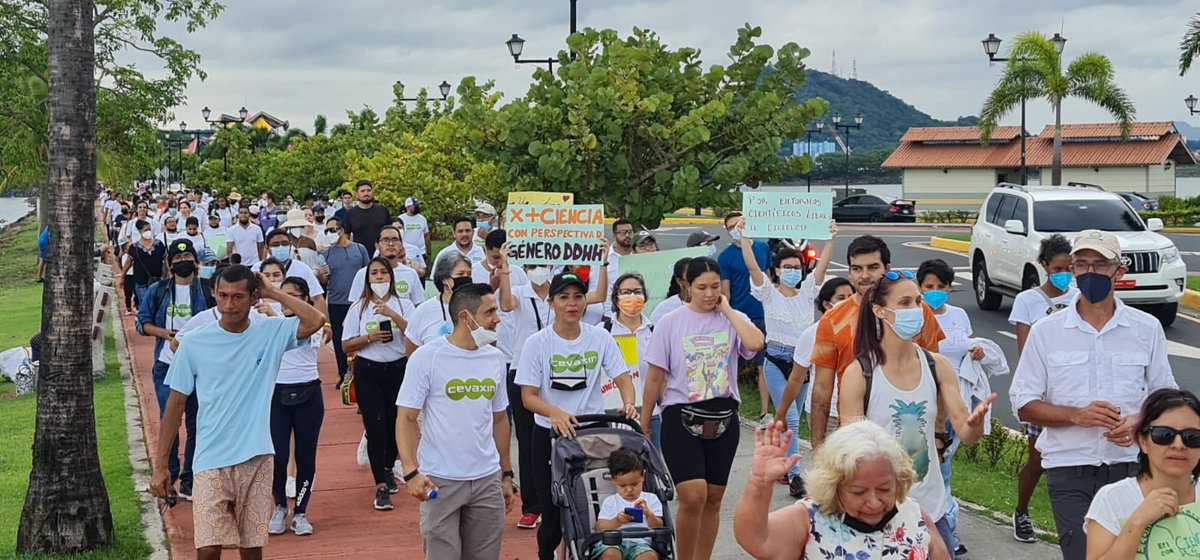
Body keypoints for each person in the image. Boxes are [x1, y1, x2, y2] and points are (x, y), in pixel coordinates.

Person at [1010, 229, 1177, 560]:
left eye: (1100, 265)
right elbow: (1023, 403)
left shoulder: (1146, 329)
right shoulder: (1047, 331)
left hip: (1132, 468)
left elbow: (1167, 399)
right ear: (1072, 270)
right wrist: (1076, 415)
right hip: (1070, 470)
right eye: (1082, 264)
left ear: (1120, 271)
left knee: (1139, 553)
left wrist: (1137, 422)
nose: (1090, 273)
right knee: (1084, 555)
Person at [151, 265, 325, 559]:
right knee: (207, 549)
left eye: (238, 297)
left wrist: (273, 292)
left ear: (253, 297)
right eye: (223, 296)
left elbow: (316, 319)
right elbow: (174, 406)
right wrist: (160, 466)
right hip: (209, 459)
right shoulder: (194, 341)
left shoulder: (272, 331)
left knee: (251, 549)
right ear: (214, 295)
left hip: (256, 456)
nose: (229, 305)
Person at [838, 268, 996, 557]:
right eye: (905, 303)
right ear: (879, 311)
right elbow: (850, 454)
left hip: (932, 511)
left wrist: (976, 422)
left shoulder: (938, 366)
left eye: (918, 301)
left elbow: (967, 433)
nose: (916, 309)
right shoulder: (859, 373)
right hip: (879, 515)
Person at [640, 257, 765, 560]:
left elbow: (756, 342)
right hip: (681, 413)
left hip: (724, 415)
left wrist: (727, 310)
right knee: (692, 495)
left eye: (714, 287)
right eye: (701, 288)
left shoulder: (731, 318)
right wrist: (644, 421)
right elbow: (655, 375)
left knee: (713, 497)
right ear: (687, 286)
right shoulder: (671, 322)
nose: (709, 294)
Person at [516, 271, 638, 560]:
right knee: (554, 519)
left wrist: (629, 402)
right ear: (551, 302)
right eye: (564, 297)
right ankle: (547, 552)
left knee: (594, 510)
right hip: (549, 436)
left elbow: (622, 377)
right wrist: (555, 412)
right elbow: (528, 397)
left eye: (578, 296)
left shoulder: (599, 337)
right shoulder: (537, 343)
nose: (572, 303)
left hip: (593, 435)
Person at [396, 282, 516, 559]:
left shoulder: (496, 358)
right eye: (490, 312)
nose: (497, 319)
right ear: (466, 317)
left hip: (486, 479)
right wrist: (411, 471)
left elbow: (500, 420)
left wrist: (506, 475)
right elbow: (406, 417)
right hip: (440, 480)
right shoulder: (427, 358)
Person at [733, 420, 950, 560]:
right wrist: (759, 483)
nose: (874, 502)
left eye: (885, 489)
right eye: (858, 492)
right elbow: (755, 538)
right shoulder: (809, 519)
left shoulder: (914, 515)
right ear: (834, 485)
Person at [809, 235, 944, 448]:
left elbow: (937, 376)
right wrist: (818, 448)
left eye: (873, 267)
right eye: (856, 269)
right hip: (855, 434)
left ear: (887, 268)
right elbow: (822, 390)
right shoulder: (832, 320)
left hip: (912, 432)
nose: (864, 276)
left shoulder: (917, 311)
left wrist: (939, 433)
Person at [736, 219, 836, 498]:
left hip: (804, 363)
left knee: (792, 419)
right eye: (787, 267)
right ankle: (795, 476)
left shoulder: (807, 293)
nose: (792, 272)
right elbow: (753, 267)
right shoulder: (767, 293)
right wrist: (745, 239)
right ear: (777, 270)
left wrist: (830, 240)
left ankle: (777, 454)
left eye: (797, 267)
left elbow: (823, 267)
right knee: (790, 416)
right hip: (776, 361)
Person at [1007, 233, 1077, 542]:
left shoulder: (1080, 297)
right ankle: (1021, 511)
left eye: (1070, 267)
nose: (1065, 274)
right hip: (1043, 394)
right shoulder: (1028, 301)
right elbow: (1026, 350)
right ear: (1044, 265)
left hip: (1075, 392)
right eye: (1059, 267)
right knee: (1037, 462)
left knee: (1076, 463)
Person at [1084, 389, 1200, 560]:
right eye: (1164, 435)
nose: (1178, 445)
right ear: (1143, 441)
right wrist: (1137, 523)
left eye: (1192, 437)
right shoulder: (1113, 499)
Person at [916, 258, 982, 556]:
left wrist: (978, 351)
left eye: (941, 287)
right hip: (927, 403)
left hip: (958, 399)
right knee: (934, 469)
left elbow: (965, 349)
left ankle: (945, 527)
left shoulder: (958, 315)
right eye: (928, 287)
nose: (935, 292)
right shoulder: (913, 316)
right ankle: (944, 534)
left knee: (945, 468)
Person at [137, 239, 212, 500]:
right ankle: (169, 475)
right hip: (167, 365)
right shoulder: (158, 290)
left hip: (201, 366)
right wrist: (165, 334)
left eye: (188, 257)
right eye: (177, 260)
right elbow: (142, 323)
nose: (183, 262)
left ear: (196, 261)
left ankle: (190, 479)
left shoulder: (208, 289)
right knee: (169, 420)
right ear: (169, 264)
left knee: (197, 422)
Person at [341, 257, 416, 510]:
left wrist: (392, 314)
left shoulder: (403, 304)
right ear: (367, 278)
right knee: (375, 427)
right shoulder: (358, 308)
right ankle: (380, 486)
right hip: (368, 370)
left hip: (398, 369)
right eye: (374, 273)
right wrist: (369, 337)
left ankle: (387, 467)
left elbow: (415, 335)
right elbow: (345, 345)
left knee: (397, 422)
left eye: (384, 273)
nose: (380, 277)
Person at [264, 277, 326, 536]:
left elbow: (309, 332)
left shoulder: (315, 321)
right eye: (283, 294)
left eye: (295, 296)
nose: (287, 300)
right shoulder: (268, 321)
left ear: (305, 299)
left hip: (309, 393)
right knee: (277, 457)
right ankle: (279, 506)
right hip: (277, 395)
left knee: (305, 456)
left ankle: (301, 512)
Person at [774, 277, 855, 431]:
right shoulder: (812, 334)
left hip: (854, 412)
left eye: (851, 297)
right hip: (826, 414)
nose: (848, 302)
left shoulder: (862, 329)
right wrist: (781, 413)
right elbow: (796, 379)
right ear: (826, 304)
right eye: (841, 298)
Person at [717, 212, 771, 424]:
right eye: (732, 226)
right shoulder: (725, 257)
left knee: (763, 365)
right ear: (727, 230)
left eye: (740, 224)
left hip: (762, 315)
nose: (737, 228)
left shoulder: (762, 247)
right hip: (739, 316)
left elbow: (766, 277)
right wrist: (728, 317)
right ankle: (732, 407)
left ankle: (765, 412)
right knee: (732, 365)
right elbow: (726, 291)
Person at [604, 273, 659, 447]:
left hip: (651, 414)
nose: (632, 297)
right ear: (616, 297)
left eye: (637, 291)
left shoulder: (655, 332)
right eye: (626, 292)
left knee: (651, 466)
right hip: (611, 413)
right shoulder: (603, 331)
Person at [321, 216, 371, 386]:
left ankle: (360, 374)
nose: (329, 233)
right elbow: (323, 280)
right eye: (326, 230)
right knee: (339, 340)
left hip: (357, 302)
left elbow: (367, 273)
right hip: (335, 301)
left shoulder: (360, 249)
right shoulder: (326, 252)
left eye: (332, 230)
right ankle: (343, 374)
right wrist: (322, 275)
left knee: (359, 337)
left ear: (341, 231)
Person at [591, 448, 664, 560]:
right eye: (623, 486)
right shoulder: (610, 501)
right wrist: (617, 521)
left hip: (641, 545)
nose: (629, 490)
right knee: (611, 555)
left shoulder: (651, 499)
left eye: (634, 484)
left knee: (649, 557)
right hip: (612, 543)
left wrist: (649, 514)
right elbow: (599, 527)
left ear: (643, 476)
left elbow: (659, 526)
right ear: (613, 480)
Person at [404, 252, 474, 352]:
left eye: (469, 274)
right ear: (445, 279)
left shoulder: (477, 306)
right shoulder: (424, 311)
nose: (466, 278)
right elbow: (411, 350)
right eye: (460, 274)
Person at [347, 225, 425, 307]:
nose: (391, 244)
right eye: (386, 240)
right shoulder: (363, 273)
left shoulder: (411, 274)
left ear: (401, 244)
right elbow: (355, 306)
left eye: (395, 240)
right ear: (377, 245)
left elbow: (418, 305)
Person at [256, 229, 328, 315]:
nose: (281, 247)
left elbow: (317, 298)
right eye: (275, 245)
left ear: (290, 245)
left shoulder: (302, 268)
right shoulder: (257, 269)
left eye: (284, 244)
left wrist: (325, 324)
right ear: (267, 248)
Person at [122, 219, 167, 301]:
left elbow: (166, 259)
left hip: (157, 280)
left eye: (149, 229)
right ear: (140, 231)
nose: (148, 231)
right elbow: (128, 263)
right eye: (145, 230)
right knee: (145, 305)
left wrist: (170, 271)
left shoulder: (159, 244)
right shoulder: (134, 247)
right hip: (141, 282)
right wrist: (122, 276)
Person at [342, 180, 390, 252]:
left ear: (372, 193)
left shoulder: (383, 210)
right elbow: (346, 237)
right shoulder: (350, 214)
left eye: (369, 190)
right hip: (360, 255)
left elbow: (390, 232)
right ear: (357, 194)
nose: (366, 193)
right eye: (363, 191)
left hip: (382, 254)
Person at [648, 257, 693, 325]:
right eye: (690, 276)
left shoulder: (710, 303)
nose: (695, 280)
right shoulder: (665, 309)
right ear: (679, 281)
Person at [397, 197, 431, 275]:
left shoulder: (422, 219)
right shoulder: (401, 219)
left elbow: (426, 235)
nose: (417, 207)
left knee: (421, 274)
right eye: (415, 205)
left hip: (421, 252)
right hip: (407, 252)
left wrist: (428, 252)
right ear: (408, 207)